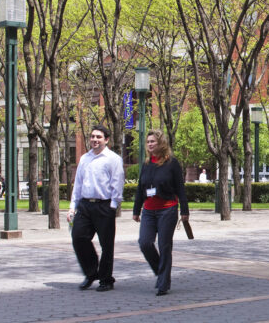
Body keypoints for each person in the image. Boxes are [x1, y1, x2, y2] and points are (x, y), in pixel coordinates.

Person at [68, 125, 125, 292]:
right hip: (85, 205)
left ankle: (106, 279)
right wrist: (73, 207)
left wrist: (113, 206)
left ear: (106, 140)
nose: (94, 139)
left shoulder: (113, 159)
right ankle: (91, 273)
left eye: (98, 137)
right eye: (93, 136)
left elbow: (117, 184)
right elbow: (78, 184)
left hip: (104, 206)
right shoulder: (84, 158)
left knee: (106, 245)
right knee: (78, 237)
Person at [132, 130, 188, 296]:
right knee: (145, 243)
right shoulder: (146, 164)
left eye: (153, 142)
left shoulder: (172, 163)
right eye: (148, 142)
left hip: (167, 209)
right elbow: (140, 188)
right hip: (149, 211)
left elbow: (180, 188)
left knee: (164, 246)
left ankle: (163, 283)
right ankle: (160, 272)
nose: (149, 144)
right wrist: (136, 210)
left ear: (161, 143)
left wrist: (184, 210)